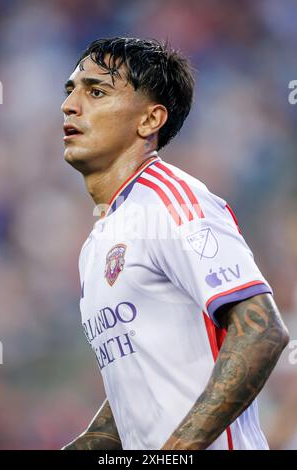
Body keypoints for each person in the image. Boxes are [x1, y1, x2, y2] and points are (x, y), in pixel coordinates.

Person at [61, 37, 289, 450]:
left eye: (96, 91)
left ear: (150, 120)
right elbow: (143, 383)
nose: (70, 105)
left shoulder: (171, 200)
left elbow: (262, 331)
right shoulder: (98, 241)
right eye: (71, 90)